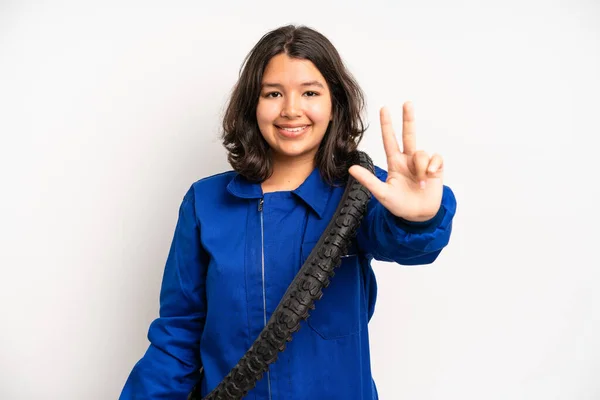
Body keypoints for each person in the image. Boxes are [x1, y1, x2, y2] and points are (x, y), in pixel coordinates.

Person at [120, 25, 457, 400]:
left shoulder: (362, 192)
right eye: (273, 93)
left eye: (310, 92)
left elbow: (407, 245)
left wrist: (420, 217)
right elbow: (178, 335)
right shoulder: (205, 202)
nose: (291, 109)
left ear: (335, 106)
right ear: (253, 104)